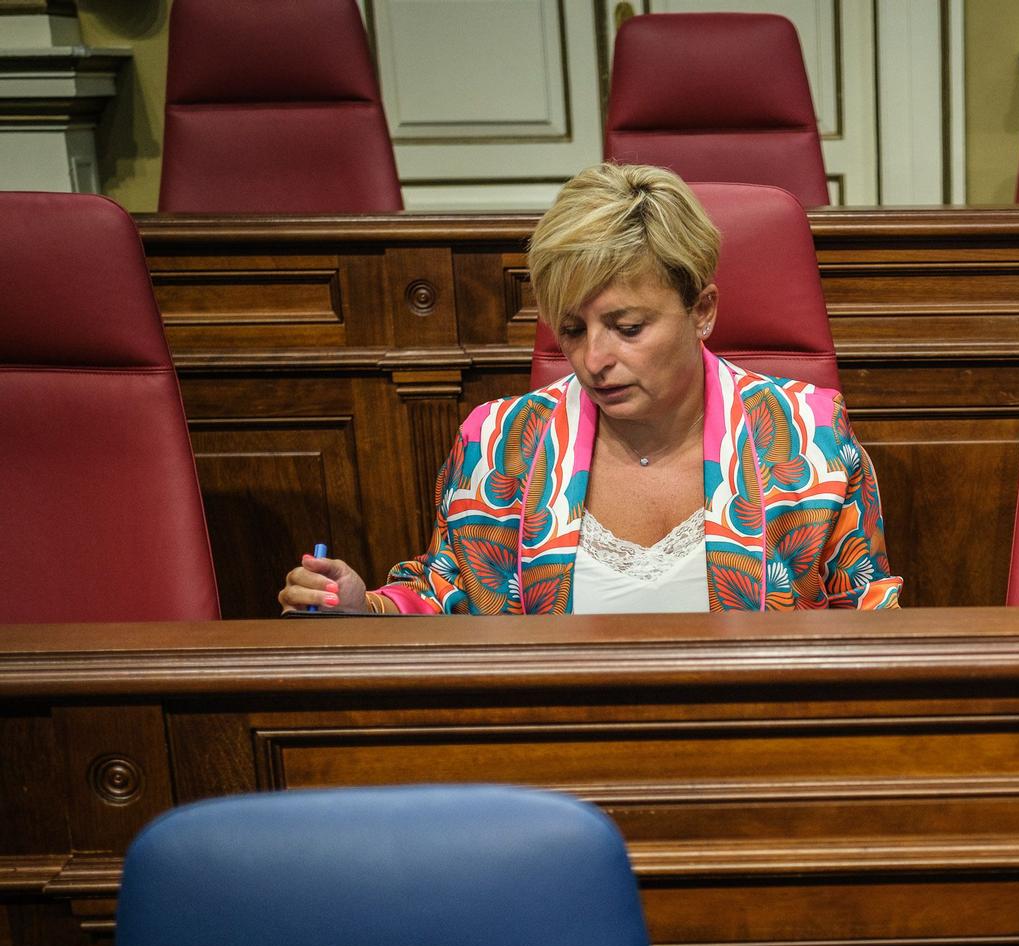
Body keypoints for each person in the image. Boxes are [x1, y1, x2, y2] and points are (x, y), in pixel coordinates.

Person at [278, 163, 901, 614]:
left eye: (628, 328)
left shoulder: (810, 436)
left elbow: (869, 618)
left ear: (702, 310)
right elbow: (446, 596)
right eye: (572, 330)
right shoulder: (499, 440)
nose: (593, 360)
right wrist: (360, 606)